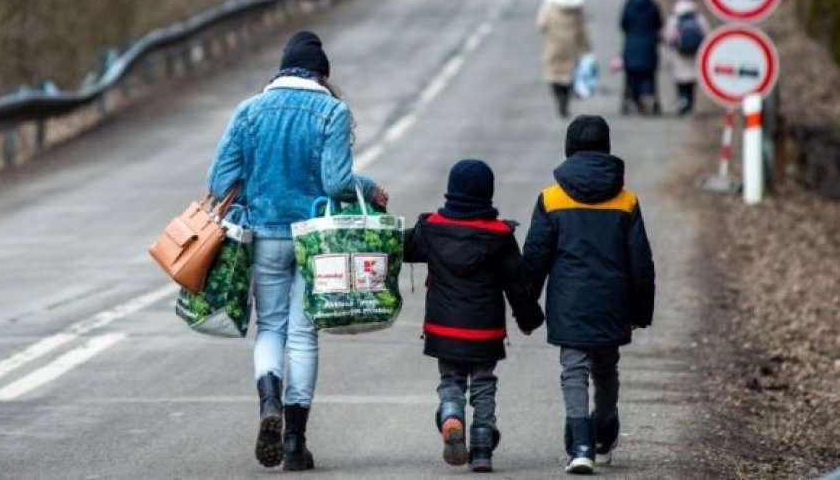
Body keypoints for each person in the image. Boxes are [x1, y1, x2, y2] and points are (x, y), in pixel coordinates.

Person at [207, 30, 389, 471]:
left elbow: (218, 183)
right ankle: (294, 443)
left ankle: (268, 402)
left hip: (265, 235)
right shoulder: (332, 111)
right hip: (317, 241)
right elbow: (338, 185)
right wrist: (369, 189)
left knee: (270, 328)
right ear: (322, 74)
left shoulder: (248, 111)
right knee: (304, 334)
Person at [521, 115, 655, 474]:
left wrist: (526, 307)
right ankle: (605, 430)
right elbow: (641, 261)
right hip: (613, 301)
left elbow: (535, 258)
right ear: (607, 149)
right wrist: (642, 311)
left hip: (569, 301)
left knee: (574, 369)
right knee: (606, 367)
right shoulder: (626, 201)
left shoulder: (551, 198)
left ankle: (580, 444)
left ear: (569, 149)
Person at [404, 159, 545, 473]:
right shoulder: (500, 236)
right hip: (485, 331)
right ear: (488, 194)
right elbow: (517, 286)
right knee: (483, 384)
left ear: (451, 191)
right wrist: (529, 319)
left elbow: (402, 247)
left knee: (450, 380)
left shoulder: (432, 228)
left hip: (444, 329)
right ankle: (482, 448)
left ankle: (452, 414)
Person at [536, 0, 590, 118]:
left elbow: (541, 25)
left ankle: (559, 98)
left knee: (554, 75)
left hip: (554, 46)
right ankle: (565, 100)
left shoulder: (549, 6)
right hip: (572, 47)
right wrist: (586, 48)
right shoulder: (576, 7)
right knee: (569, 76)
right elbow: (581, 29)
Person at [620, 0, 663, 115]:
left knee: (632, 76)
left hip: (631, 46)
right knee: (648, 75)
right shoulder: (652, 4)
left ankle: (634, 99)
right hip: (649, 46)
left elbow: (623, 24)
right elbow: (659, 23)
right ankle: (649, 98)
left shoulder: (629, 3)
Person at [663, 0, 709, 115]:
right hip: (695, 55)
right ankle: (690, 104)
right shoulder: (699, 18)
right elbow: (707, 35)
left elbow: (668, 37)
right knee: (691, 82)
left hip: (678, 56)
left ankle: (682, 102)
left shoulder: (674, 19)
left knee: (681, 82)